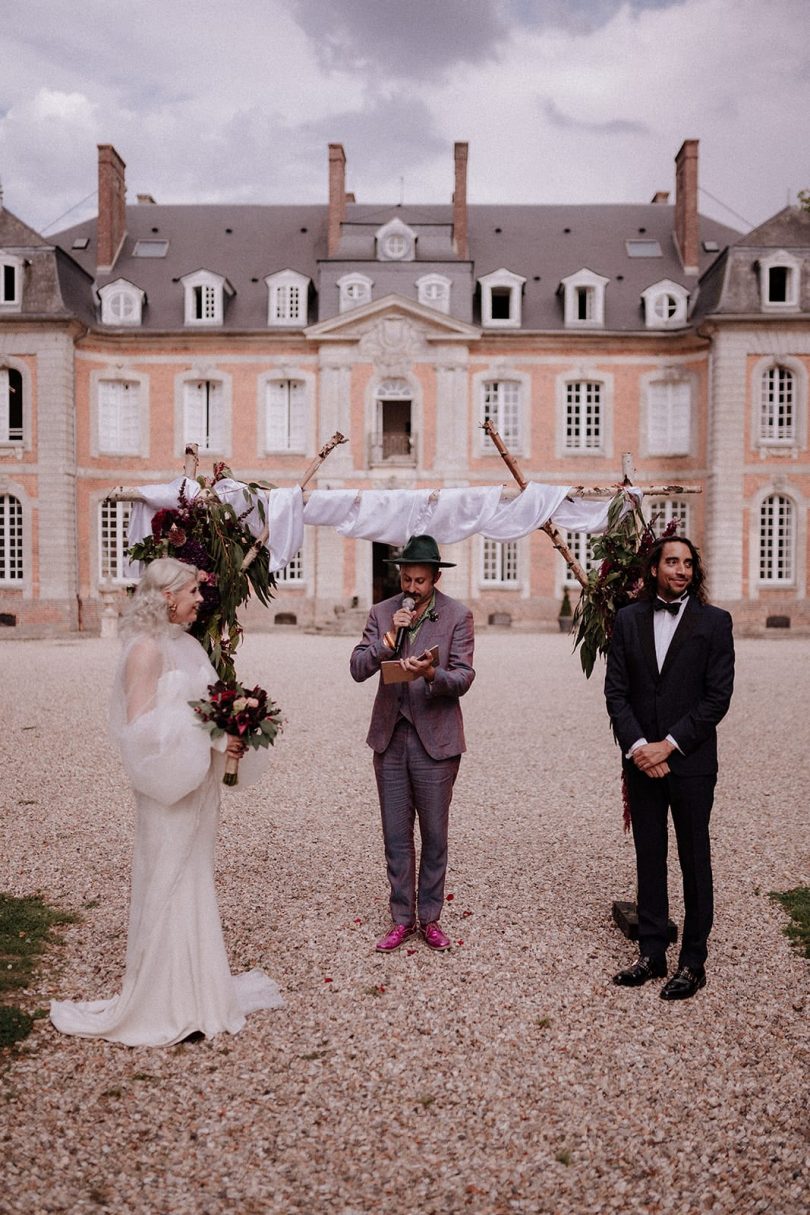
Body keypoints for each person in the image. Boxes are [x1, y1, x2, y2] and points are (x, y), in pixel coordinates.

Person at [50, 557, 282, 1046]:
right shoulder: (145, 651)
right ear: (166, 597)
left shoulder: (188, 645)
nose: (201, 599)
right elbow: (140, 734)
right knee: (168, 880)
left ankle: (198, 993)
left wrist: (232, 731)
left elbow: (206, 708)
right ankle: (163, 1001)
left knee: (193, 878)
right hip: (166, 790)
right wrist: (210, 739)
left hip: (195, 786)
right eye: (193, 592)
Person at [604, 536, 735, 1000]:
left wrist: (668, 745)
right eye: (672, 561)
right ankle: (652, 952)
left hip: (691, 762)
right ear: (654, 567)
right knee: (650, 857)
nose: (681, 569)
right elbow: (615, 692)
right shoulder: (627, 619)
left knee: (694, 860)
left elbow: (716, 698)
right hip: (643, 761)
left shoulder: (716, 623)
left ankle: (693, 962)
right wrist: (640, 746)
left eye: (688, 563)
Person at [350, 535, 475, 953]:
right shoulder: (382, 612)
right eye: (406, 579)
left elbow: (463, 677)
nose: (412, 588)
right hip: (390, 738)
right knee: (395, 836)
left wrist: (429, 675)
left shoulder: (458, 615)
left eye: (420, 581)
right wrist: (387, 641)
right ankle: (402, 918)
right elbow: (356, 668)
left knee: (435, 835)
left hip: (435, 741)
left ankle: (432, 917)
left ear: (436, 578)